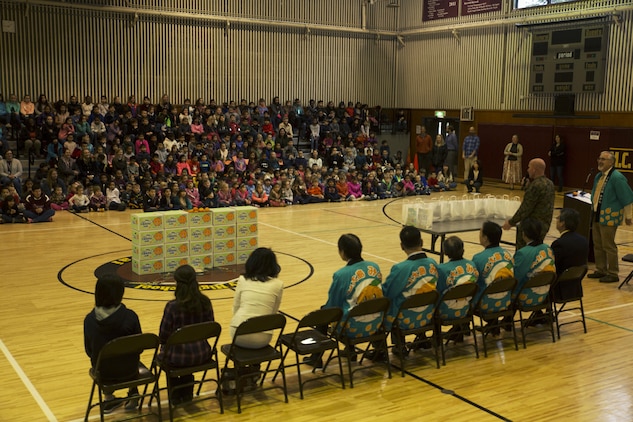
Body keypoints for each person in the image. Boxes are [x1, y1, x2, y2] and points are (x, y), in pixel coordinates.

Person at [305, 234, 383, 367]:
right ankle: (378, 351)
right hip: (376, 324)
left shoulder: (341, 274)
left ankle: (316, 358)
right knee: (358, 306)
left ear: (342, 252)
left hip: (352, 328)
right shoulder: (374, 267)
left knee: (324, 312)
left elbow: (332, 306)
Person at [83, 274, 142, 413]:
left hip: (104, 375)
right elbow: (139, 347)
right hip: (130, 371)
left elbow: (89, 351)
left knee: (104, 360)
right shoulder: (131, 317)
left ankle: (109, 399)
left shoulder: (89, 320)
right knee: (130, 356)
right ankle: (133, 392)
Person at [158, 265, 214, 405]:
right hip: (202, 354)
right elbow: (210, 328)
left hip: (177, 358)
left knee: (169, 353)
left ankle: (176, 395)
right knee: (185, 350)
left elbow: (163, 336)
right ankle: (187, 392)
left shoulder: (172, 307)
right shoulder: (205, 302)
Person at [382, 226, 438, 353]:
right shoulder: (433, 264)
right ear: (422, 242)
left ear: (402, 246)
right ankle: (422, 337)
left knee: (390, 302)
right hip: (428, 316)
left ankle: (398, 346)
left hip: (404, 320)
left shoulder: (400, 269)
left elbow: (387, 293)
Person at [588, 151, 633, 283]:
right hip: (597, 213)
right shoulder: (599, 176)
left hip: (609, 216)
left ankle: (613, 273)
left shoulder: (617, 177)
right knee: (597, 244)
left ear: (611, 162)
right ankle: (600, 269)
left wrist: (628, 216)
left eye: (603, 159)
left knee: (608, 245)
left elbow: (626, 197)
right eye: (599, 158)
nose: (600, 161)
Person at [230, 248, 283, 348]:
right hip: (263, 337)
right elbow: (273, 312)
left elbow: (236, 307)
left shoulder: (242, 280)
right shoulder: (278, 284)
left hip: (238, 332)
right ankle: (255, 364)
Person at [503, 158, 555, 250]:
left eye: (529, 167)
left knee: (523, 253)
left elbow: (525, 209)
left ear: (534, 169)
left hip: (531, 228)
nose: (527, 170)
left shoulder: (535, 186)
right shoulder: (550, 184)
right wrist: (528, 187)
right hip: (544, 226)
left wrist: (511, 222)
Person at [472, 221, 514, 304]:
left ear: (485, 238)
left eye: (480, 233)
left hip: (485, 303)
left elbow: (473, 284)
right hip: (506, 301)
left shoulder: (478, 258)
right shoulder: (509, 255)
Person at [551, 208, 589, 299]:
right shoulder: (583, 240)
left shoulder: (559, 244)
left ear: (562, 223)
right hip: (575, 287)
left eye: (557, 218)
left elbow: (553, 266)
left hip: (559, 289)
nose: (556, 220)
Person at [513, 218, 556, 296]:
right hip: (545, 294)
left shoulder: (523, 253)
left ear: (524, 233)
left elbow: (516, 278)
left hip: (525, 296)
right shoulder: (548, 248)